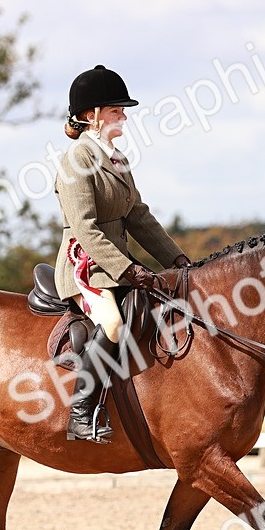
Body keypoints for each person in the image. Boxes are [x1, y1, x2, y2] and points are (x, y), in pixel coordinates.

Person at [54, 64, 191, 443]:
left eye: (122, 111)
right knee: (113, 324)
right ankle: (80, 413)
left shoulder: (117, 160)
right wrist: (127, 269)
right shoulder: (76, 160)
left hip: (115, 264)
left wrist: (177, 261)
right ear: (90, 116)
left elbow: (138, 217)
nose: (124, 117)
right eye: (116, 111)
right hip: (86, 266)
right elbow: (85, 227)